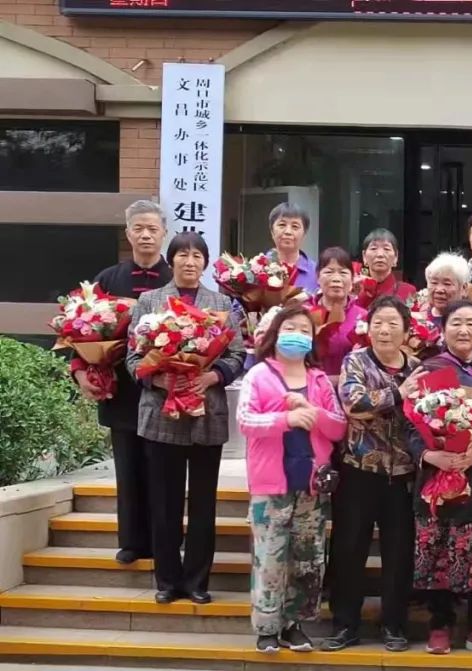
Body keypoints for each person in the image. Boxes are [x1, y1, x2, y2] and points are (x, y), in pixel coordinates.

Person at [125, 231, 246, 605]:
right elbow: (132, 357)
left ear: (205, 263)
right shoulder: (149, 302)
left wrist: (213, 376)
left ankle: (196, 581)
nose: (190, 261)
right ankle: (167, 580)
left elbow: (237, 354)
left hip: (206, 413)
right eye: (182, 255)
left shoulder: (221, 303)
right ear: (171, 259)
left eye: (197, 255)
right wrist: (157, 378)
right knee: (164, 503)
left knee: (203, 505)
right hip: (162, 416)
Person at [237, 305, 347, 654]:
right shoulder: (258, 375)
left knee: (307, 558)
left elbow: (338, 427)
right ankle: (267, 627)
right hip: (271, 484)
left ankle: (295, 624)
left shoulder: (319, 380)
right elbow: (245, 422)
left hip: (313, 485)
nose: (297, 335)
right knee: (269, 556)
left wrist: (313, 414)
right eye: (290, 328)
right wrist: (285, 419)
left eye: (304, 330)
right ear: (275, 333)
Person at [323, 296, 427, 653]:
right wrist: (398, 393)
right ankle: (344, 625)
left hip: (403, 475)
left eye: (393, 324)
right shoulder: (355, 361)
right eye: (378, 323)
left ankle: (394, 624)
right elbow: (354, 404)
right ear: (368, 328)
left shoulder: (418, 368)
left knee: (399, 554)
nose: (385, 330)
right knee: (349, 549)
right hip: (359, 471)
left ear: (407, 331)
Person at [71, 200, 172, 565]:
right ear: (128, 233)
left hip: (163, 391)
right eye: (138, 229)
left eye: (152, 229)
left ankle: (164, 542)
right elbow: (77, 330)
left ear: (164, 233)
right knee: (128, 469)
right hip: (121, 391)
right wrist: (81, 372)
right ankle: (131, 541)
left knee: (162, 471)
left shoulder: (176, 278)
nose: (145, 235)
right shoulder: (107, 279)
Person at [409, 300, 472, 656]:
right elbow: (411, 421)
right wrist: (430, 455)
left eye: (470, 323)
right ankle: (440, 624)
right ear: (443, 329)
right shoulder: (428, 368)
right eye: (456, 323)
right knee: (437, 550)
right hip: (438, 473)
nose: (463, 330)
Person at [310, 246, 366, 382]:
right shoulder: (304, 313)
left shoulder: (363, 316)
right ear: (317, 277)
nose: (336, 278)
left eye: (343, 272)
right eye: (329, 272)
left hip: (351, 389)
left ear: (352, 278)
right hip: (311, 388)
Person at [355, 228, 417, 309]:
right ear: (364, 256)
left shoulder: (408, 291)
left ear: (396, 257)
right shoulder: (356, 289)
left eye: (386, 249)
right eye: (373, 249)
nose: (380, 254)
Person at [267, 202, 320, 295]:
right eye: (282, 225)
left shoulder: (317, 273)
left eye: (295, 226)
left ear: (304, 234)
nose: (288, 231)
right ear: (272, 231)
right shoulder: (255, 269)